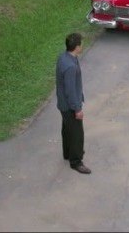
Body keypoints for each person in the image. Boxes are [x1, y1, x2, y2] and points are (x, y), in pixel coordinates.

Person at [56, 32, 89, 174]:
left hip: (63, 104)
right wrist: (77, 109)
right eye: (81, 43)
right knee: (77, 134)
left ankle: (67, 153)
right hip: (70, 105)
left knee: (66, 129)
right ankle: (76, 161)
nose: (82, 45)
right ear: (76, 47)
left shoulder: (64, 57)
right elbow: (70, 91)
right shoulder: (70, 66)